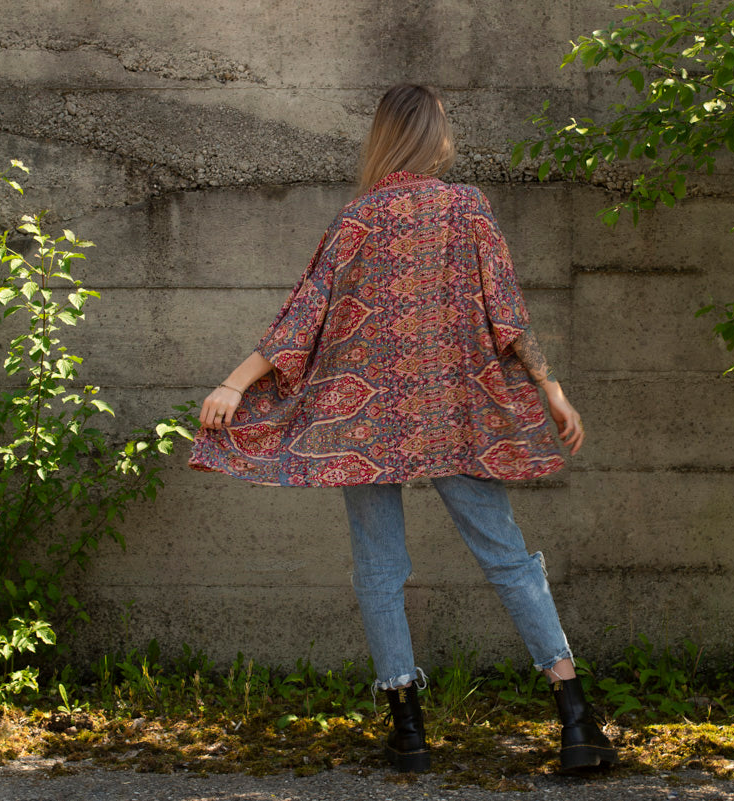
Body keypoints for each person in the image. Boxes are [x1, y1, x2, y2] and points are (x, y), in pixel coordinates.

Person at [190, 84, 618, 773]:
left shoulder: (358, 219)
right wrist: (553, 392)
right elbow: (507, 315)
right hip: (456, 414)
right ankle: (575, 719)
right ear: (435, 137)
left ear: (383, 137)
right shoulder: (468, 208)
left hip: (361, 423)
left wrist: (235, 383)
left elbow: (301, 319)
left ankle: (409, 730)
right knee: (509, 558)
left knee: (380, 570)